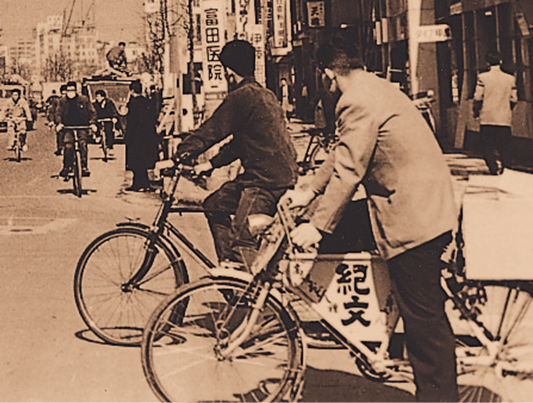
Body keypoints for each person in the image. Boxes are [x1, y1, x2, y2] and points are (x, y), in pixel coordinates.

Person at [279, 34, 458, 403]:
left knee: (424, 324)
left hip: (413, 217)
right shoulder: (375, 88)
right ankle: (371, 335)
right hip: (417, 203)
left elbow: (349, 169)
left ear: (327, 73)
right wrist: (308, 192)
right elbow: (342, 151)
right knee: (341, 234)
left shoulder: (355, 101)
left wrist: (315, 225)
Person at [171, 40, 298, 266]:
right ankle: (229, 271)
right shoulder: (265, 94)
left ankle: (245, 290)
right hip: (275, 175)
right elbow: (243, 142)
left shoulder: (241, 97)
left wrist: (179, 155)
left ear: (229, 72)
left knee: (242, 239)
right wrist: (211, 164)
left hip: (264, 182)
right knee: (214, 204)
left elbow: (211, 130)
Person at [473, 51, 517, 175]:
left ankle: (493, 167)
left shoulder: (483, 77)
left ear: (487, 63)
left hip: (487, 117)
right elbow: (514, 99)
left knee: (486, 145)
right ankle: (506, 168)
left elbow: (478, 97)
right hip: (504, 118)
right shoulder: (510, 79)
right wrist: (507, 109)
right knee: (505, 146)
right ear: (501, 62)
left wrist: (476, 112)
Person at [54, 82, 97, 178]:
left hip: (82, 126)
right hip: (68, 127)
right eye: (68, 90)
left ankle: (84, 166)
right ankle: (66, 167)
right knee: (68, 146)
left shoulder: (84, 99)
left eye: (72, 90)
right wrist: (59, 123)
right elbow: (58, 113)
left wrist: (93, 123)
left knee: (83, 144)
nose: (70, 92)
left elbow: (92, 112)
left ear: (76, 90)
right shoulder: (62, 101)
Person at [124, 79, 160, 191]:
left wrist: (127, 136)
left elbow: (131, 121)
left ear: (131, 90)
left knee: (136, 162)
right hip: (148, 135)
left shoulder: (133, 103)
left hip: (136, 136)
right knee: (144, 161)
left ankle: (137, 184)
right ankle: (144, 184)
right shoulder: (147, 102)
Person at [3, 88, 33, 153]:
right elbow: (4, 110)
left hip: (20, 118)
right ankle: (11, 144)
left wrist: (29, 117)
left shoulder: (23, 101)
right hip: (12, 118)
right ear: (11, 95)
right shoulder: (8, 102)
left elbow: (27, 110)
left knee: (23, 131)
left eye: (16, 95)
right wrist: (3, 117)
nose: (15, 97)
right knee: (10, 129)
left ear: (19, 95)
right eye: (14, 95)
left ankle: (23, 142)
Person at [45, 89, 63, 156]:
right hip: (59, 121)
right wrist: (52, 120)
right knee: (59, 135)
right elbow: (53, 111)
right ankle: (60, 148)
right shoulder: (57, 100)